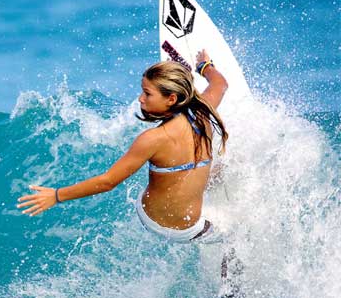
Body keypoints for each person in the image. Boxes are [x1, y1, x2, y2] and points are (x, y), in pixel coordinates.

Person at [17, 50, 228, 243]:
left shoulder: (155, 138)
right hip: (170, 224)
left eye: (147, 93)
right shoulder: (202, 113)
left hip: (169, 219)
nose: (140, 99)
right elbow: (220, 84)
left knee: (217, 168)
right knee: (233, 238)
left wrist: (55, 195)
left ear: (172, 99)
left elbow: (108, 182)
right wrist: (205, 66)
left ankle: (214, 176)